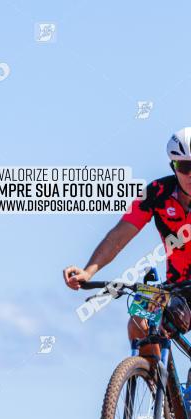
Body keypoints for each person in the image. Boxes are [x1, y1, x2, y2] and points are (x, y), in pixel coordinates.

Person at [63, 128, 191, 364]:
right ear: (173, 166)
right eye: (185, 167)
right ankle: (156, 387)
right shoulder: (156, 193)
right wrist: (88, 271)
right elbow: (119, 236)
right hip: (176, 286)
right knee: (138, 323)